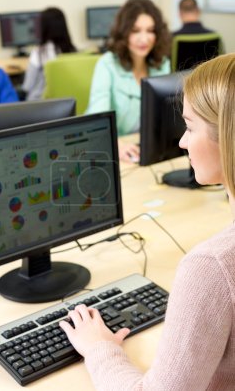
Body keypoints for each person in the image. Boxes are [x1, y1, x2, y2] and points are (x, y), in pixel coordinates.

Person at [60, 53, 235, 390]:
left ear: (227, 136)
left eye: (190, 126)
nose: (182, 141)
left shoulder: (212, 267)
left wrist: (100, 349)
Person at [85, 0, 171, 163]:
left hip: (146, 150)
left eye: (150, 30)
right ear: (124, 33)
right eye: (135, 31)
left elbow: (167, 118)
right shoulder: (107, 64)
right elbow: (98, 118)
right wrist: (116, 144)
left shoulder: (161, 65)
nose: (144, 39)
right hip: (112, 149)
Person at [22, 7, 76, 101]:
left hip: (41, 106)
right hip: (66, 105)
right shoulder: (73, 51)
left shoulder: (39, 53)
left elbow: (27, 86)